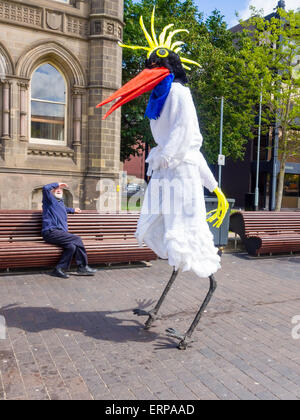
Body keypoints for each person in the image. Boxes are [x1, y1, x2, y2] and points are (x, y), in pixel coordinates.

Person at [42, 182, 97, 278]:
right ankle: (82, 267)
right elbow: (45, 188)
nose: (59, 190)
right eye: (56, 189)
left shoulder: (60, 203)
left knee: (71, 246)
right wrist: (57, 183)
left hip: (59, 233)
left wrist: (72, 210)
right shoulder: (49, 200)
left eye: (61, 189)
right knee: (77, 239)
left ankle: (58, 269)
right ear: (52, 191)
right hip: (50, 232)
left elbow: (63, 209)